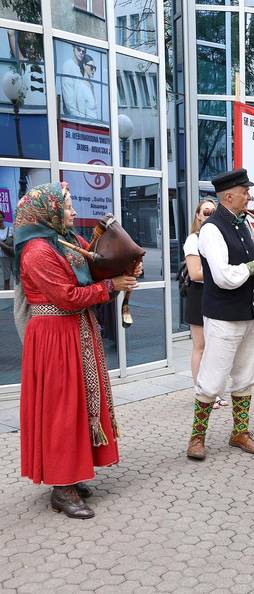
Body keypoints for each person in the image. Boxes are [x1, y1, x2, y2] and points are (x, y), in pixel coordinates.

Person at [14, 182, 140, 519]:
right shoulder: (38, 251)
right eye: (67, 206)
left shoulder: (63, 242)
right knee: (62, 407)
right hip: (55, 337)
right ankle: (61, 487)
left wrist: (124, 270)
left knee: (80, 402)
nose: (72, 212)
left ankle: (71, 472)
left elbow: (97, 269)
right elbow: (67, 297)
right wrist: (112, 285)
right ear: (49, 212)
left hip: (75, 331)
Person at [185, 169, 254, 461]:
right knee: (212, 379)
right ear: (229, 196)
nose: (249, 196)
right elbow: (224, 276)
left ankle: (240, 432)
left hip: (248, 313)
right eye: (245, 191)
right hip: (224, 316)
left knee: (245, 376)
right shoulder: (212, 229)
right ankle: (196, 438)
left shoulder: (245, 226)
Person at [183, 199, 227, 410]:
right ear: (198, 216)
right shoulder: (194, 239)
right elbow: (194, 273)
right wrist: (222, 274)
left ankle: (215, 391)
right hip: (199, 294)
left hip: (215, 294)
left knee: (215, 346)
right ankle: (201, 392)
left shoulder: (219, 237)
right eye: (205, 212)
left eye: (213, 211)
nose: (210, 215)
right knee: (200, 346)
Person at [60, 44, 86, 117]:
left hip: (83, 118)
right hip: (74, 119)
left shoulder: (81, 69)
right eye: (79, 49)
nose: (81, 52)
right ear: (74, 49)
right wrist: (79, 118)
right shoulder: (68, 65)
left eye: (83, 51)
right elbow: (68, 98)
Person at [0, 216, 14, 290]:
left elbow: (15, 240)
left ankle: (19, 294)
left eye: (1, 217)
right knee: (6, 278)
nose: (0, 219)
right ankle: (7, 296)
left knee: (17, 276)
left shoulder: (10, 229)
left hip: (13, 255)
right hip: (3, 257)